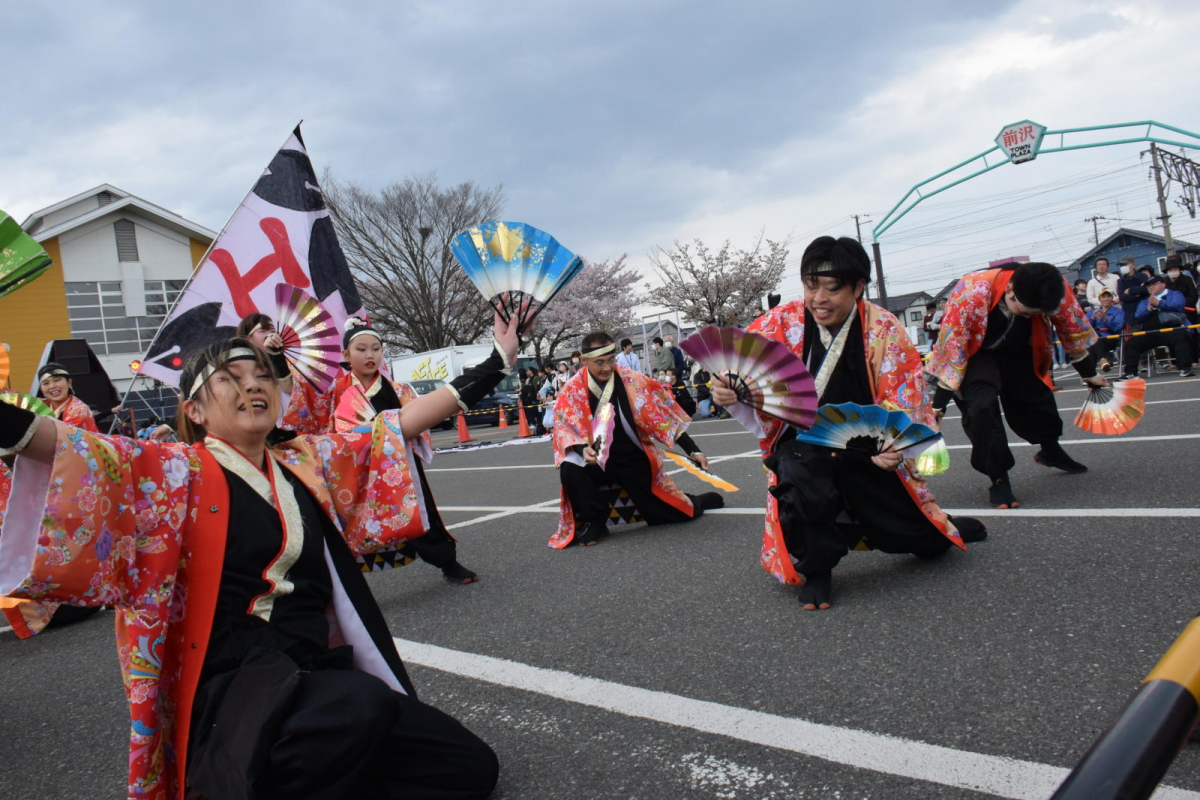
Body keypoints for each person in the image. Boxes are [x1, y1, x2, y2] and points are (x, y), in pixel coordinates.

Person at [0, 330, 515, 800]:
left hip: (315, 672)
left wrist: (498, 361)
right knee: (359, 706)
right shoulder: (172, 471)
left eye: (262, 375)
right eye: (230, 378)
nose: (254, 385)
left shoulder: (307, 461)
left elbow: (396, 426)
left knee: (467, 767)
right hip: (237, 683)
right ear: (195, 411)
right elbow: (63, 447)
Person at [712, 236, 984, 611]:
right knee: (799, 482)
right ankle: (818, 570)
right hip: (802, 439)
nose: (818, 298)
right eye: (810, 285)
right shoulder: (782, 321)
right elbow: (738, 366)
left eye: (832, 288)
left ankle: (938, 531)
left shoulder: (884, 329)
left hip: (866, 445)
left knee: (914, 531)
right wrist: (725, 386)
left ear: (858, 287)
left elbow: (905, 396)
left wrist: (895, 445)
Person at [285, 318, 481, 584]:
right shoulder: (334, 391)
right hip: (352, 467)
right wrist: (278, 360)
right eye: (361, 349)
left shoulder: (396, 389)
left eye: (376, 349)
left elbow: (416, 420)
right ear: (345, 355)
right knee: (352, 518)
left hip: (394, 462)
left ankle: (447, 562)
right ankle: (348, 580)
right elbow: (307, 408)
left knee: (417, 508)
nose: (370, 355)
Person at [927, 261, 1104, 509]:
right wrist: (938, 407)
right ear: (1010, 289)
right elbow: (953, 351)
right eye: (1024, 309)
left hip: (1019, 345)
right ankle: (998, 477)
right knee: (981, 407)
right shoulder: (970, 291)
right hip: (976, 353)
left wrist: (1089, 374)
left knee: (1034, 396)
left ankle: (1050, 449)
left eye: (1035, 313)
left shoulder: (1053, 286)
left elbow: (1071, 328)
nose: (1028, 315)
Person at [548, 331, 723, 548]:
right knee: (569, 465)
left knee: (666, 515)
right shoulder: (572, 389)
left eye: (611, 359)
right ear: (583, 361)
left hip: (630, 456)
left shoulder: (633, 380)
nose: (606, 367)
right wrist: (580, 447)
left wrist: (693, 450)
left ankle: (696, 502)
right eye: (599, 362)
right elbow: (564, 426)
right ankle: (596, 520)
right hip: (595, 459)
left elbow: (663, 418)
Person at [1121, 273, 1195, 379]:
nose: (1151, 287)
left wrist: (1160, 304)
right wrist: (1149, 309)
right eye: (1148, 285)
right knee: (1132, 343)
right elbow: (1138, 316)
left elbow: (1179, 306)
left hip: (1172, 328)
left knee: (1181, 337)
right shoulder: (1145, 300)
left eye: (1154, 284)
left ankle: (1185, 368)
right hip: (1151, 332)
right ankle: (1130, 372)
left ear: (1163, 284)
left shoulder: (1175, 294)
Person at [35, 362, 98, 432]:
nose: (52, 386)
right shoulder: (39, 405)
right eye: (45, 383)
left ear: (69, 382)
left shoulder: (79, 410)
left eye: (56, 380)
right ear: (41, 389)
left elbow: (60, 435)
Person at [1087, 290, 1125, 371]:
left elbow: (1118, 328)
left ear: (1112, 298)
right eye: (1103, 297)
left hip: (1111, 339)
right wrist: (1093, 319)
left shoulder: (1118, 311)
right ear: (1099, 299)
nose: (1106, 299)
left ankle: (1090, 374)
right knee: (1092, 342)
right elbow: (1084, 327)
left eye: (1108, 296)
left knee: (1093, 341)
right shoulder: (1092, 312)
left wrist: (1105, 320)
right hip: (1094, 339)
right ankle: (1103, 360)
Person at [1117, 256, 1148, 331]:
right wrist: (1137, 295)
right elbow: (1122, 296)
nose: (1122, 267)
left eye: (1124, 264)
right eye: (1121, 265)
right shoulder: (1121, 281)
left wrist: (1130, 290)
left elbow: (1145, 289)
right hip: (1130, 314)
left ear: (1132, 265)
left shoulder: (1142, 276)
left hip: (1144, 311)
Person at [520, 366, 546, 435]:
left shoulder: (535, 378)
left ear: (531, 371)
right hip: (531, 398)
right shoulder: (529, 379)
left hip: (535, 398)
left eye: (528, 370)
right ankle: (538, 426)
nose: (527, 372)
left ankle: (540, 426)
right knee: (535, 412)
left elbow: (536, 388)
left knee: (538, 413)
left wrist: (537, 395)